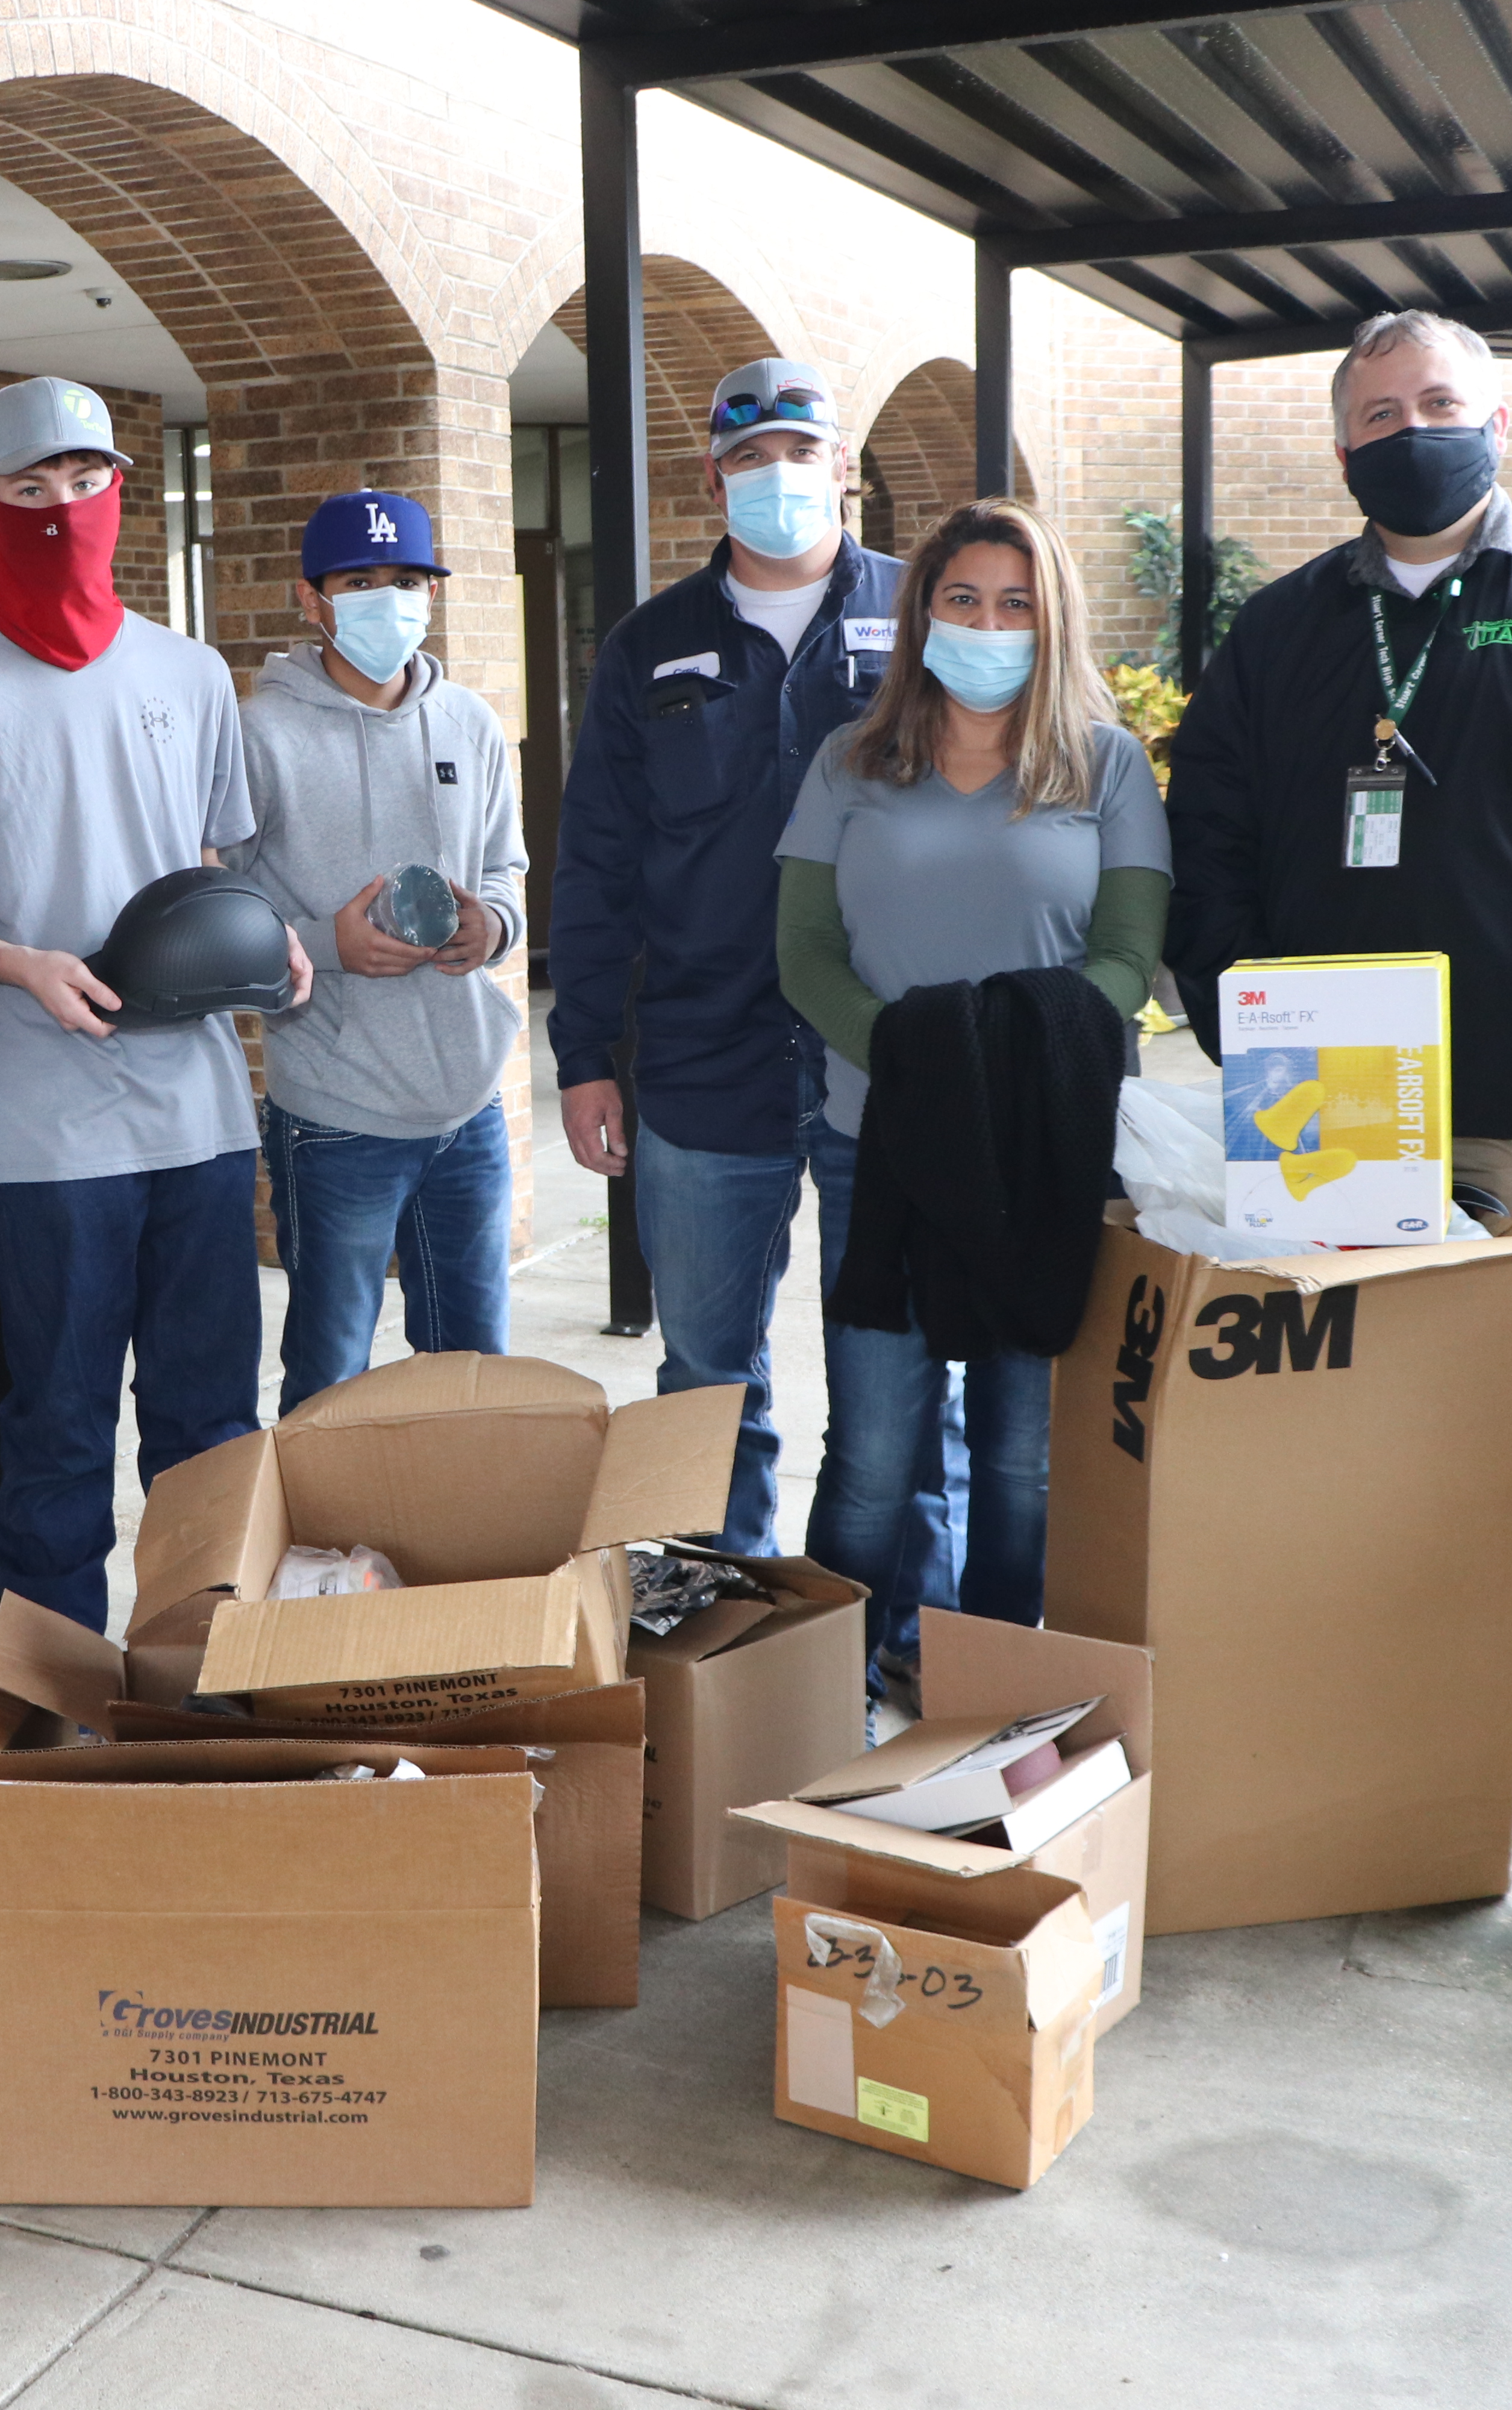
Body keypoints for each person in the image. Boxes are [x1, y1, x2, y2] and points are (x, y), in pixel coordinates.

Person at [1162, 309, 1512, 1845]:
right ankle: (1347, 1696)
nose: (1411, 426)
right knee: (1334, 1430)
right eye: (1380, 411)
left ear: (1497, 423)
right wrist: (1259, 1054)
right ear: (1343, 444)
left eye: (1440, 400)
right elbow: (1209, 846)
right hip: (1332, 1118)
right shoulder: (1288, 628)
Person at [0, 376, 314, 1631]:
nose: (61, 506)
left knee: (212, 1426)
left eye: (85, 480)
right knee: (58, 1427)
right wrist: (21, 965)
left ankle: (195, 1669)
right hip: (37, 1131)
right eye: (30, 487)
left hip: (200, 1113)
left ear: (121, 491)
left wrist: (266, 938)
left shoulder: (190, 674)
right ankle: (56, 1704)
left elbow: (216, 869)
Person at [548, 355, 958, 1691]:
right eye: (750, 456)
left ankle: (895, 1634)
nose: (778, 477)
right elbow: (598, 864)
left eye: (801, 451)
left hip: (883, 1065)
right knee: (708, 1377)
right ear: (713, 477)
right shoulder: (649, 644)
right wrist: (583, 1062)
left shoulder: (925, 615)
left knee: (895, 1381)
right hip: (702, 1062)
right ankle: (723, 1644)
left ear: (843, 466)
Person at [776, 498, 1169, 1657]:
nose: (989, 623)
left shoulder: (1107, 765)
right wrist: (915, 1065)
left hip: (1050, 1158)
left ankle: (992, 1689)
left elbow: (1125, 958)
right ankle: (825, 1693)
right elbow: (804, 956)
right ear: (922, 615)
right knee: (872, 1458)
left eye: (1016, 603)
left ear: (1053, 622)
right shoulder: (850, 762)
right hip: (877, 1147)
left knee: (1022, 1459)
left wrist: (999, 1070)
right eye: (964, 599)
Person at [230, 488, 528, 1414]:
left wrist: (496, 927)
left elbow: (507, 866)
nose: (387, 600)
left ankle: (461, 1557)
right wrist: (330, 945)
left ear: (432, 594)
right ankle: (322, 1562)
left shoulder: (470, 723)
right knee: (330, 1380)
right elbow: (226, 920)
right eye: (360, 581)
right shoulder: (258, 733)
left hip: (467, 1107)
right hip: (336, 1114)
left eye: (407, 580)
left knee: (472, 1381)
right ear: (311, 598)